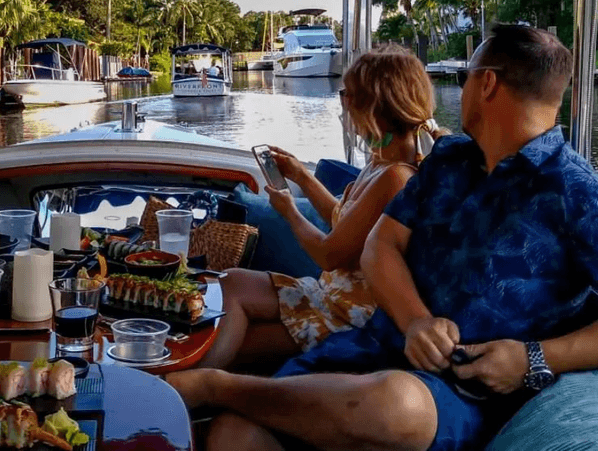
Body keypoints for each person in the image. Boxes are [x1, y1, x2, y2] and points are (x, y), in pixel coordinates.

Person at [167, 25, 598, 451]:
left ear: (487, 84)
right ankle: (230, 402)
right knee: (233, 436)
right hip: (370, 347)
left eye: (468, 77)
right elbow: (381, 246)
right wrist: (415, 319)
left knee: (397, 405)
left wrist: (536, 358)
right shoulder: (448, 162)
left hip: (457, 390)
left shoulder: (576, 193)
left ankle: (217, 387)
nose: (460, 89)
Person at [185, 47, 446, 370]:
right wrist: (301, 175)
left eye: (347, 95)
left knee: (239, 339)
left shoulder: (397, 177)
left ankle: (195, 393)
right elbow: (345, 222)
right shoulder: (381, 162)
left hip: (349, 317)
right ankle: (197, 387)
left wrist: (290, 211)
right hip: (328, 295)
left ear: (373, 107)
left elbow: (330, 254)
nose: (344, 104)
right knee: (230, 282)